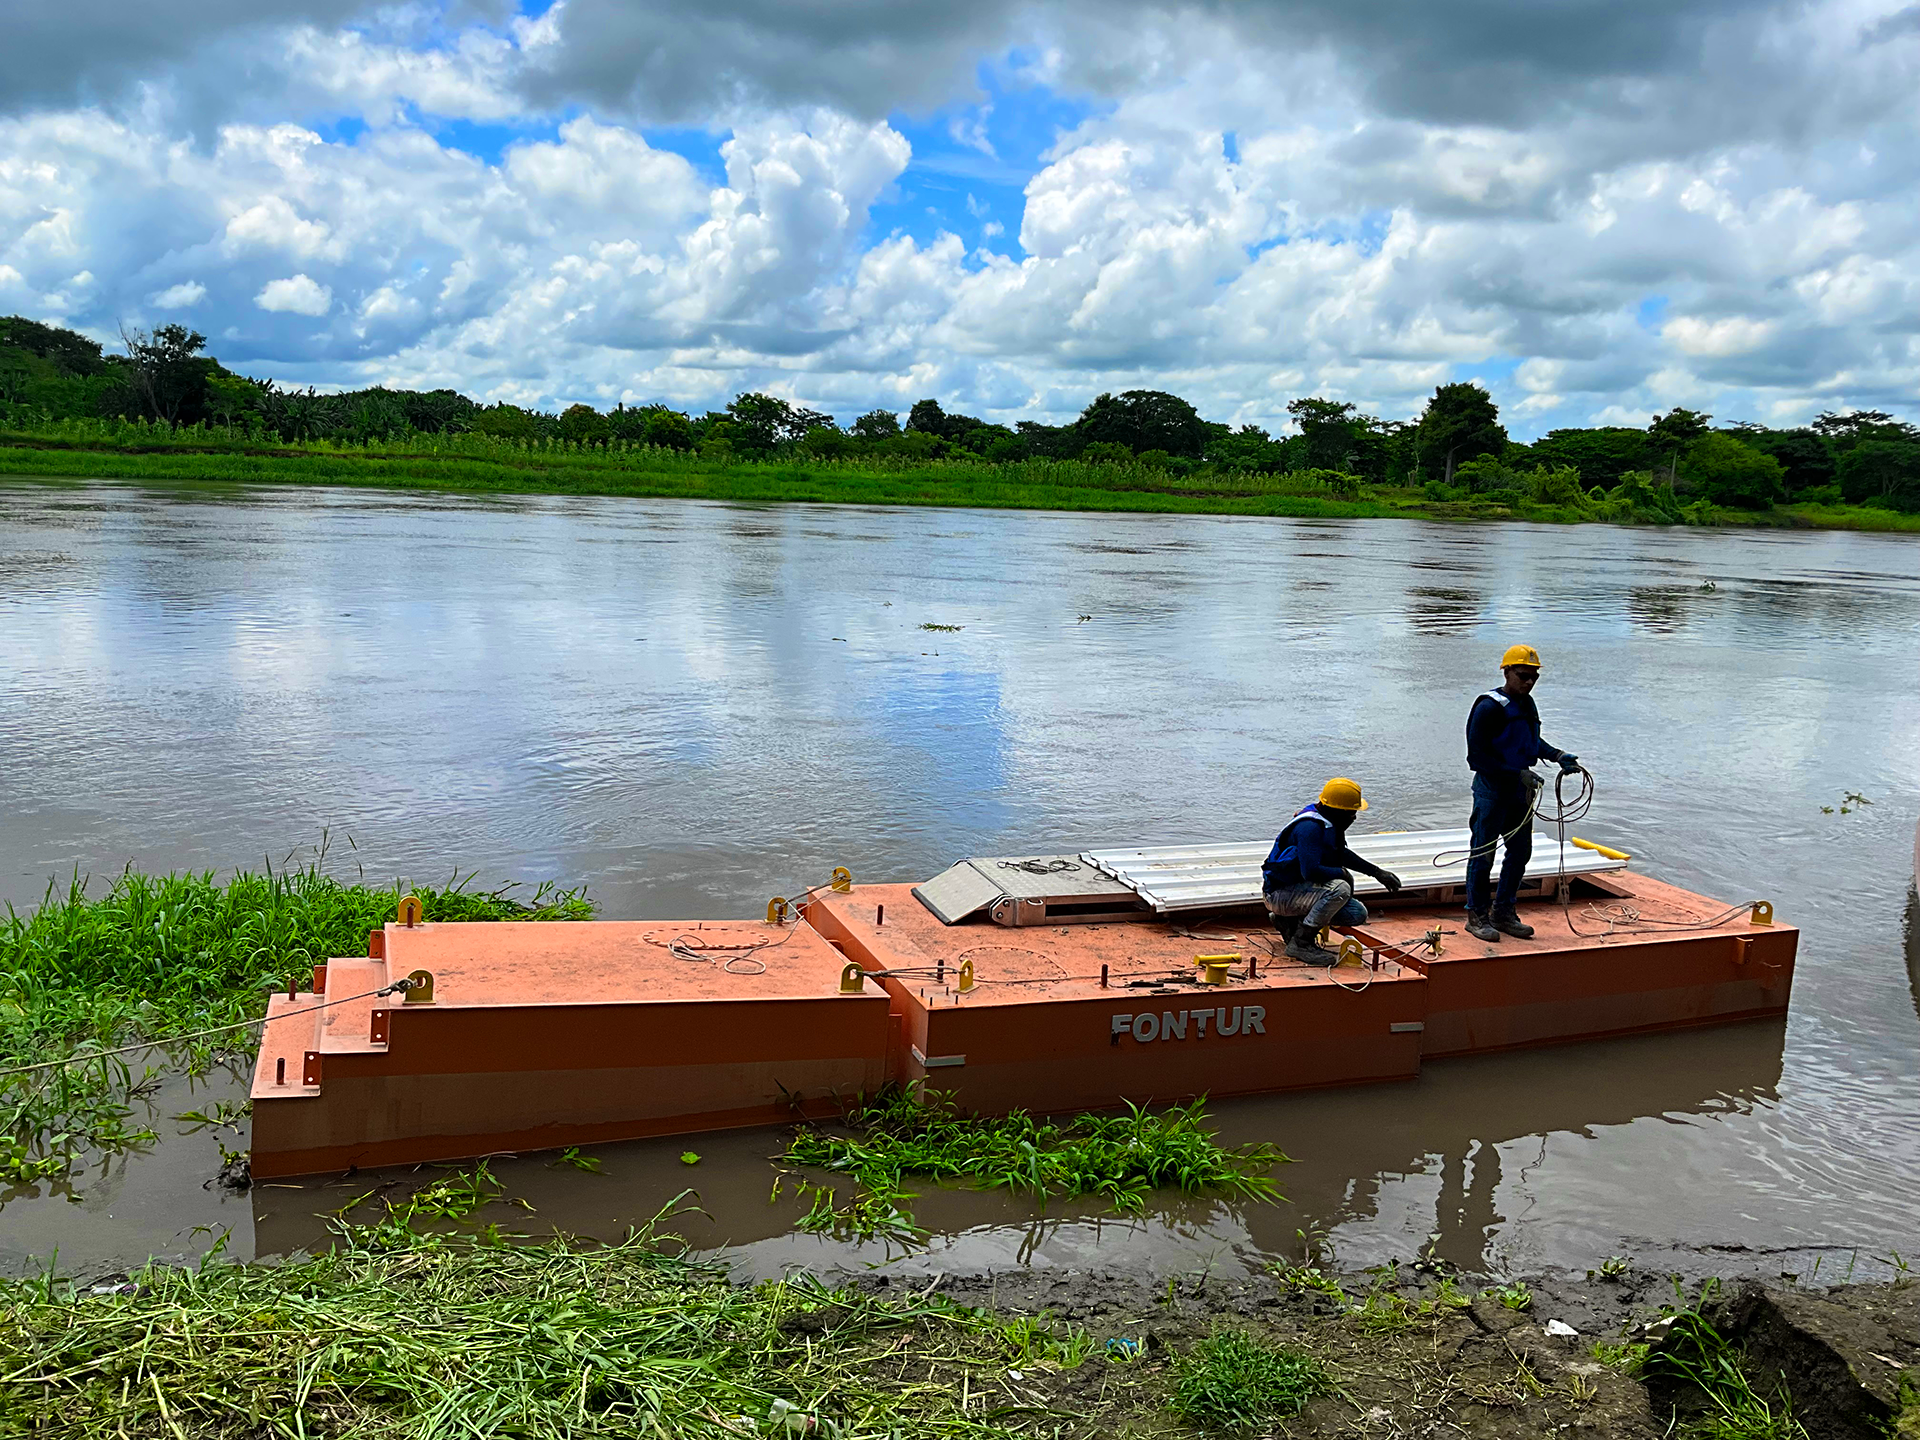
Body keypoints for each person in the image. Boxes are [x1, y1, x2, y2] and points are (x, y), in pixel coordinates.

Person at [1463, 644, 1581, 942]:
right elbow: (1476, 758)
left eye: (1533, 677)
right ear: (1506, 672)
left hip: (1520, 793)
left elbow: (1530, 742)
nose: (1528, 682)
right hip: (1492, 791)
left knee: (1519, 853)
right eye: (1522, 675)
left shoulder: (1527, 705)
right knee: (1483, 854)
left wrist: (1557, 755)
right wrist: (1517, 773)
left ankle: (1503, 912)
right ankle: (1476, 915)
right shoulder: (1489, 707)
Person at [1262, 777, 1403, 964]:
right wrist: (1343, 874)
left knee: (1356, 913)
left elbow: (1340, 854)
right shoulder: (1310, 828)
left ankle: (1288, 923)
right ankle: (1301, 943)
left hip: (1296, 891)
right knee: (1339, 889)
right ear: (1338, 811)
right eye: (1351, 813)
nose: (1354, 817)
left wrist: (1376, 872)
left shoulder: (1328, 823)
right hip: (1278, 894)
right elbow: (1310, 872)